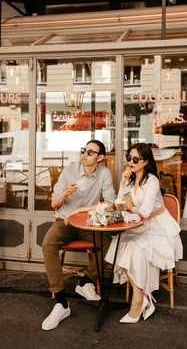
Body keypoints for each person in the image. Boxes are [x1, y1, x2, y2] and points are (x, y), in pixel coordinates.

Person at [42, 139, 116, 331]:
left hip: (87, 223)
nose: (85, 154)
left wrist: (83, 210)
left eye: (91, 152)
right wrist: (65, 193)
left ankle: (85, 281)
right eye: (84, 150)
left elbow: (111, 202)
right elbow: (54, 204)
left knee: (110, 244)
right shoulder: (70, 171)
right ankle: (61, 302)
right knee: (49, 243)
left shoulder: (104, 173)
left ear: (100, 158)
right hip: (65, 221)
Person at [105, 142, 183, 323]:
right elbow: (119, 205)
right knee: (120, 245)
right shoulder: (131, 179)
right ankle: (144, 299)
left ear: (146, 161)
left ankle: (138, 301)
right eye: (128, 158)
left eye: (135, 159)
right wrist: (123, 183)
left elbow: (145, 213)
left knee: (134, 248)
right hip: (138, 224)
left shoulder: (152, 181)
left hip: (158, 226)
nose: (130, 162)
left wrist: (128, 207)